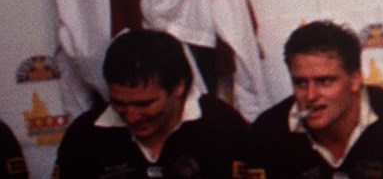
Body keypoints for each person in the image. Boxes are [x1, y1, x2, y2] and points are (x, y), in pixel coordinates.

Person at [247, 21, 383, 178]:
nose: (311, 95)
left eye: (325, 81)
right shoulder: (268, 132)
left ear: (355, 79)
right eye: (300, 83)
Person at [53, 29, 249, 179]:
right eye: (119, 103)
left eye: (144, 104)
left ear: (178, 86)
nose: (131, 116)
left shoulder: (223, 127)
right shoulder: (84, 136)